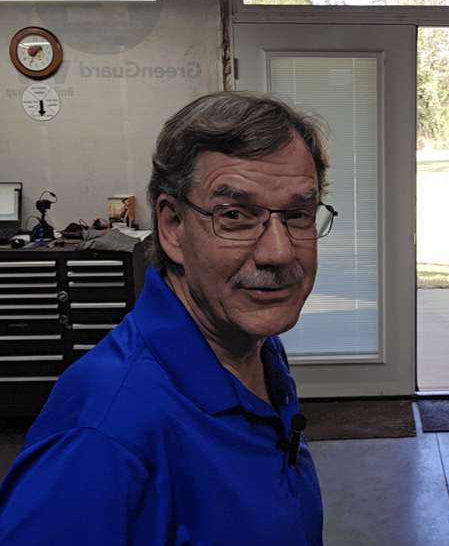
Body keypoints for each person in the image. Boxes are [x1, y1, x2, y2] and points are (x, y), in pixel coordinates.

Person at [0, 91, 338, 545]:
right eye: (235, 215)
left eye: (297, 215)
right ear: (172, 227)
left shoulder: (253, 345)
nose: (278, 251)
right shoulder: (104, 434)